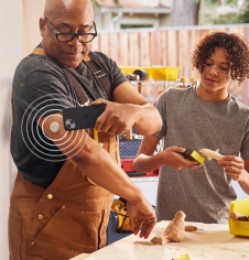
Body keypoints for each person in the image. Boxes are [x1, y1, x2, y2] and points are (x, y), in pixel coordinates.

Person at [9, 0, 162, 259]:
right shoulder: (36, 74)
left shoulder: (101, 67)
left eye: (85, 31)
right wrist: (134, 195)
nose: (77, 42)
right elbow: (82, 151)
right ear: (43, 27)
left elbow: (155, 120)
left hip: (93, 222)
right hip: (47, 224)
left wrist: (132, 111)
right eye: (65, 31)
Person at [133, 31, 249, 224]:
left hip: (217, 227)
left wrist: (242, 176)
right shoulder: (170, 101)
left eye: (223, 67)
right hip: (168, 224)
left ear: (236, 72)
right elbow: (139, 163)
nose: (212, 72)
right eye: (208, 63)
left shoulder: (246, 118)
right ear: (199, 61)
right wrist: (162, 158)